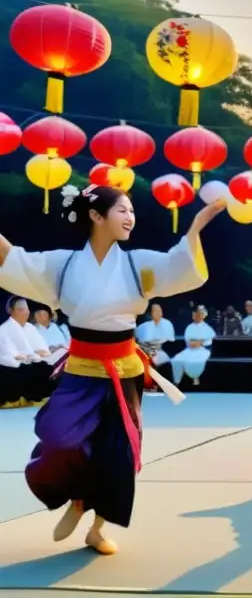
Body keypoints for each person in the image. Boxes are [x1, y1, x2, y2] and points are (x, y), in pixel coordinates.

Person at [0, 184, 221, 554]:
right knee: (60, 441)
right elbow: (15, 260)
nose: (130, 217)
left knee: (119, 453)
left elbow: (180, 266)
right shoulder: (63, 265)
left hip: (125, 369)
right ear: (96, 216)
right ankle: (77, 498)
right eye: (121, 209)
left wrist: (195, 229)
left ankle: (97, 529)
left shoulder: (139, 264)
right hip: (82, 367)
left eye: (131, 210)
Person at [0, 297, 57, 402]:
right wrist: (31, 355)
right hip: (13, 369)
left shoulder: (31, 328)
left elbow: (43, 351)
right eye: (21, 309)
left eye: (27, 309)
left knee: (49, 369)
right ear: (11, 311)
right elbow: (10, 355)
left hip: (34, 364)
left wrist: (35, 355)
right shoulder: (4, 329)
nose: (26, 312)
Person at [171, 306, 215, 387]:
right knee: (176, 360)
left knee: (195, 361)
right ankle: (176, 382)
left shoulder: (207, 328)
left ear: (203, 315)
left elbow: (207, 342)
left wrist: (199, 342)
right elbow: (189, 341)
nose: (198, 315)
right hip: (190, 349)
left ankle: (195, 377)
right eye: (197, 313)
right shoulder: (189, 327)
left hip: (203, 350)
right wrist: (197, 342)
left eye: (200, 314)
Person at [136, 302, 176, 368]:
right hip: (147, 356)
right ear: (150, 313)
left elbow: (171, 343)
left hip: (163, 357)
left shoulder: (167, 324)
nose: (158, 313)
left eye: (159, 311)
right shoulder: (143, 327)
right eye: (155, 311)